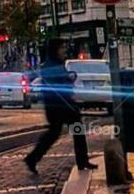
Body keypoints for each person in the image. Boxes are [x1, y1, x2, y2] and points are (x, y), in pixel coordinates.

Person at [24, 39, 96, 177]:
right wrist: (69, 80)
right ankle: (82, 161)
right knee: (73, 130)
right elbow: (58, 84)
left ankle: (33, 158)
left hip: (58, 105)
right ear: (55, 50)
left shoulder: (54, 64)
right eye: (62, 47)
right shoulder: (52, 66)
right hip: (60, 106)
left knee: (55, 133)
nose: (65, 50)